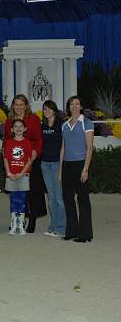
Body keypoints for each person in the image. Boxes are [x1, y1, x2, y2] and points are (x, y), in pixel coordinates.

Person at [5, 94, 45, 233]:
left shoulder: (34, 119)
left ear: (26, 105)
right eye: (16, 104)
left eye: (21, 104)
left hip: (31, 159)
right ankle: (17, 219)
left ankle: (32, 218)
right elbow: (6, 141)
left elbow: (39, 140)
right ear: (13, 106)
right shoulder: (9, 121)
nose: (19, 107)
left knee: (31, 191)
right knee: (16, 192)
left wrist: (35, 153)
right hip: (15, 161)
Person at [60, 96, 94, 243]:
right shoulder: (65, 125)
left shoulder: (86, 122)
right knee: (68, 200)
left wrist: (85, 169)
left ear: (81, 107)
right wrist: (60, 170)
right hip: (67, 165)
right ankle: (71, 231)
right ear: (69, 107)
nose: (74, 106)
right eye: (71, 104)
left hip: (80, 164)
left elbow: (89, 148)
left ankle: (85, 234)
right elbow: (63, 148)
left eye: (77, 104)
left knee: (83, 199)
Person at [3, 119, 35, 235]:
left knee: (21, 200)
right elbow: (6, 158)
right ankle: (13, 223)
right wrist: (8, 173)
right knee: (13, 200)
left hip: (23, 175)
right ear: (12, 129)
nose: (18, 128)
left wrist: (21, 173)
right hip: (11, 176)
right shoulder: (9, 142)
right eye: (15, 126)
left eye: (21, 126)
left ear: (25, 129)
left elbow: (29, 160)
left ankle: (21, 224)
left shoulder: (27, 142)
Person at [41, 100, 66, 238]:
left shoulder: (61, 125)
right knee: (51, 198)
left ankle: (61, 228)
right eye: (44, 109)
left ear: (54, 110)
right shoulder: (42, 125)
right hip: (45, 164)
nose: (47, 111)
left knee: (59, 198)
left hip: (57, 163)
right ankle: (53, 226)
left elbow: (64, 145)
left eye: (49, 109)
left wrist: (62, 165)